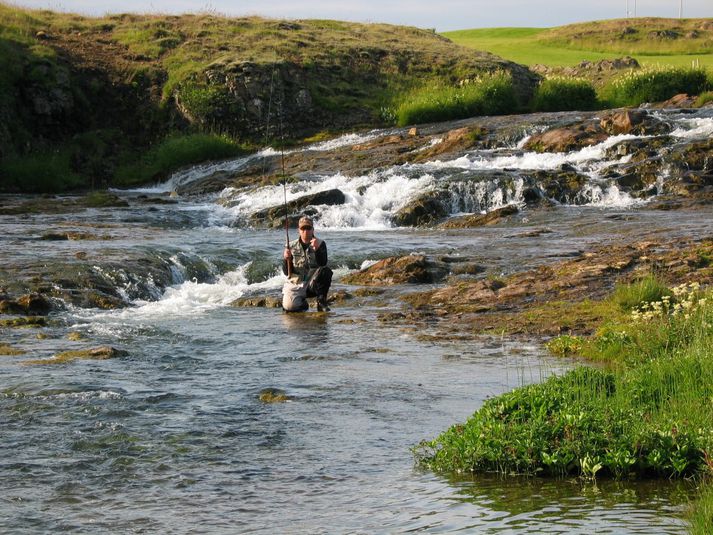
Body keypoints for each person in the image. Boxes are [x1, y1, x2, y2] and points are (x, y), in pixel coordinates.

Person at [282, 215, 333, 311]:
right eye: (303, 228)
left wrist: (317, 250)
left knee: (326, 271)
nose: (306, 231)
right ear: (299, 230)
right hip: (296, 283)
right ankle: (302, 304)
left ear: (313, 230)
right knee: (289, 307)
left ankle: (321, 301)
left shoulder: (320, 243)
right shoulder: (290, 246)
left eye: (308, 228)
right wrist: (286, 259)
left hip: (313, 284)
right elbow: (286, 272)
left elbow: (323, 263)